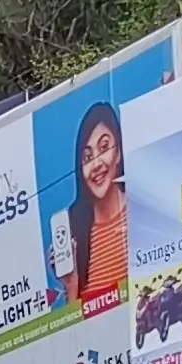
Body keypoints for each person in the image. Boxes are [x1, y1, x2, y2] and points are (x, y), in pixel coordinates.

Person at [59, 101, 128, 314]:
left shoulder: (142, 209)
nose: (96, 164)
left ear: (118, 152)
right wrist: (71, 284)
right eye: (87, 157)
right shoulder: (77, 235)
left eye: (104, 147)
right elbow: (76, 335)